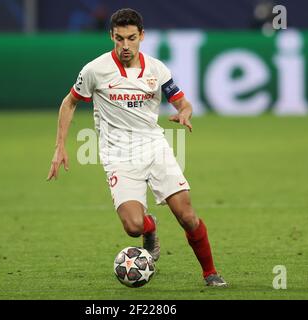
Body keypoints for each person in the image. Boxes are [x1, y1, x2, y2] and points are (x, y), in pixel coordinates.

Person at [47, 8, 227, 287]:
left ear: (142, 36)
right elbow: (69, 102)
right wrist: (60, 146)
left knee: (187, 217)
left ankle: (210, 273)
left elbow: (183, 103)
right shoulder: (95, 70)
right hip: (117, 155)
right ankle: (149, 226)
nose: (125, 45)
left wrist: (185, 113)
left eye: (131, 38)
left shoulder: (157, 69)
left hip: (155, 148)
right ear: (111, 36)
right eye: (119, 38)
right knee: (133, 227)